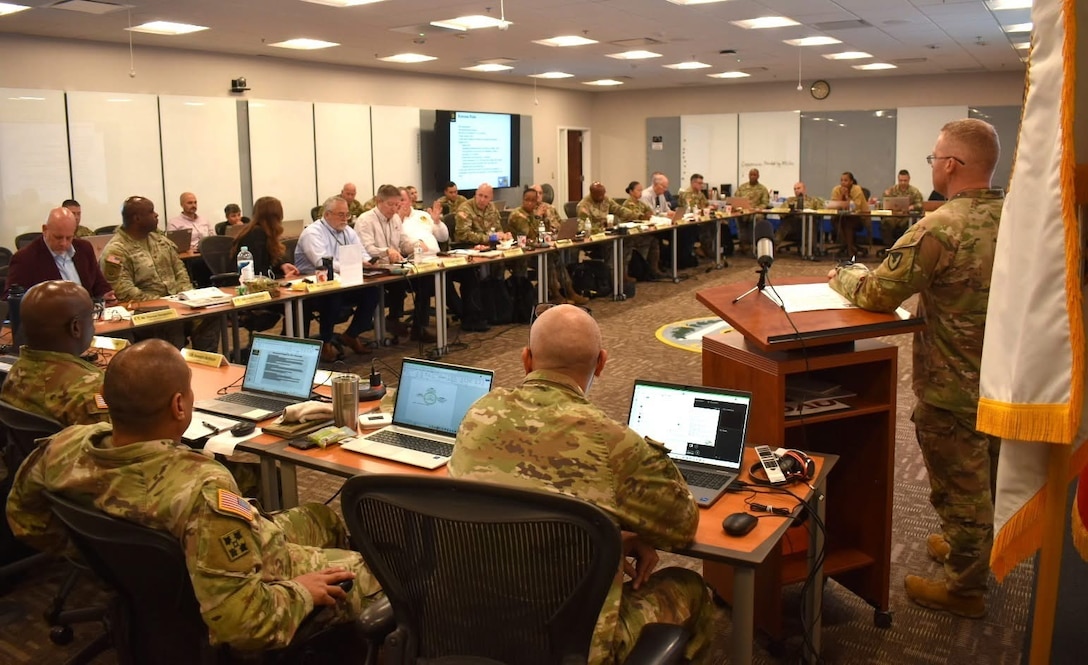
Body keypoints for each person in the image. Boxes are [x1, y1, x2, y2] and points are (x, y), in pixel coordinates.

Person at [6, 339, 385, 652]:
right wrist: (300, 592)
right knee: (374, 572)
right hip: (243, 581)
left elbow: (25, 519)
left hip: (191, 566)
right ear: (179, 405)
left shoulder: (62, 446)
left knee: (321, 517)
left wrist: (110, 560)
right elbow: (245, 624)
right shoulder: (202, 488)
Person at [449, 304, 714, 663]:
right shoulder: (615, 442)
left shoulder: (478, 414)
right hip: (571, 643)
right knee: (691, 586)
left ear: (526, 359)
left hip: (467, 619)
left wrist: (607, 537)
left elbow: (522, 509)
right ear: (602, 363)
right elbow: (683, 528)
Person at [827, 118, 1003, 618]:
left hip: (952, 384)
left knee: (959, 484)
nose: (933, 166)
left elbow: (880, 293)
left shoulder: (941, 226)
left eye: (933, 158)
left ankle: (965, 589)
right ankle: (968, 548)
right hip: (1001, 380)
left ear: (950, 165)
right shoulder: (1019, 218)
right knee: (984, 474)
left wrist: (844, 274)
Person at [99, 196, 219, 351]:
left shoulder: (160, 240)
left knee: (213, 314)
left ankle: (204, 363)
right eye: (151, 212)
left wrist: (188, 297)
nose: (156, 215)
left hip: (178, 303)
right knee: (170, 322)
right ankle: (175, 368)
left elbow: (180, 270)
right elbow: (124, 291)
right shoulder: (116, 250)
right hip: (144, 312)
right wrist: (165, 304)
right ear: (137, 218)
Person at [0, 281, 107, 427]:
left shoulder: (13, 373)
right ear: (75, 327)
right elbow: (118, 445)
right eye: (91, 316)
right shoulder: (90, 390)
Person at [294, 196, 380, 361]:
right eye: (341, 214)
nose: (345, 219)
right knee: (333, 296)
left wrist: (367, 262)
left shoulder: (348, 231)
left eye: (347, 214)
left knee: (372, 292)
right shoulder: (312, 232)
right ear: (327, 215)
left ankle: (351, 335)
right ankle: (325, 342)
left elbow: (361, 252)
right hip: (313, 289)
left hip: (344, 282)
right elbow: (322, 262)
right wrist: (353, 264)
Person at [357, 184, 433, 341]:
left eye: (397, 205)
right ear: (379, 201)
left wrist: (416, 245)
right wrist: (386, 251)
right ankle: (393, 318)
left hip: (395, 267)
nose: (393, 209)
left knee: (426, 280)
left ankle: (419, 327)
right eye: (390, 205)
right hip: (374, 269)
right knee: (397, 284)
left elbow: (403, 243)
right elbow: (367, 249)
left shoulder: (396, 219)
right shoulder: (365, 220)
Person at [3, 206, 115, 302]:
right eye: (58, 237)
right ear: (45, 229)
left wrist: (106, 295)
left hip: (87, 318)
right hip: (49, 323)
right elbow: (11, 302)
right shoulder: (25, 259)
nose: (63, 243)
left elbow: (99, 285)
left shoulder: (84, 249)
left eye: (69, 237)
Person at [231, 197, 299, 279]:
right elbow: (259, 273)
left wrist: (282, 266)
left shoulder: (262, 232)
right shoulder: (256, 235)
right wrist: (282, 277)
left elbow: (267, 261)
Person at [620, 181, 667, 280]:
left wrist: (648, 215)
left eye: (641, 190)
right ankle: (642, 270)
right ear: (631, 191)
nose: (640, 192)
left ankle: (654, 269)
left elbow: (650, 212)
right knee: (647, 241)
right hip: (631, 233)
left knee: (654, 240)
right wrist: (644, 216)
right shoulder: (628, 204)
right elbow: (635, 217)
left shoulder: (640, 203)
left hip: (642, 230)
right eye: (638, 190)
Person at [829, 171, 869, 259]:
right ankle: (850, 247)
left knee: (848, 223)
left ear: (851, 181)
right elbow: (833, 205)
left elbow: (855, 207)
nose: (843, 182)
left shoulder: (857, 189)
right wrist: (841, 196)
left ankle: (850, 251)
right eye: (841, 180)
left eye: (846, 180)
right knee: (834, 220)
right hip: (841, 217)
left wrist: (846, 196)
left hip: (859, 218)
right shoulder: (836, 189)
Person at [881, 169, 925, 246]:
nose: (903, 182)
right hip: (894, 216)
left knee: (909, 224)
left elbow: (920, 204)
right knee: (886, 222)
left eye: (905, 180)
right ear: (898, 179)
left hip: (906, 216)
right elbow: (884, 203)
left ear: (909, 179)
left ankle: (903, 246)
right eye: (901, 180)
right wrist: (886, 196)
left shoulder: (914, 191)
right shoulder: (892, 190)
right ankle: (889, 247)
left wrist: (913, 207)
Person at [736, 168, 771, 250]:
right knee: (738, 216)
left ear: (758, 176)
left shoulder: (762, 189)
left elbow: (765, 203)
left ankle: (755, 243)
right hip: (744, 210)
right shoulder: (742, 187)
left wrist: (757, 208)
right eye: (751, 175)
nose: (752, 177)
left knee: (758, 218)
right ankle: (743, 242)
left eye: (754, 175)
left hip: (756, 211)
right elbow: (736, 199)